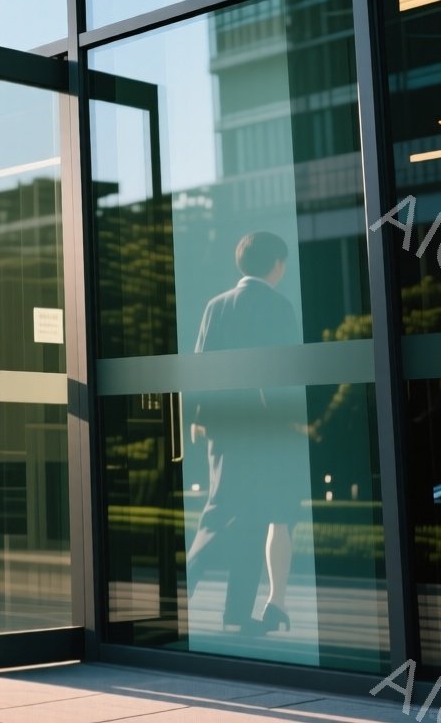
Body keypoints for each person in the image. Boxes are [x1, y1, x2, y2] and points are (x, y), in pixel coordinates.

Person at [186, 230, 303, 635]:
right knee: (251, 518)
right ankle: (228, 609)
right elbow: (286, 373)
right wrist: (294, 420)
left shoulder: (216, 306)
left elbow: (201, 365)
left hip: (225, 429)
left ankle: (227, 610)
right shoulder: (280, 306)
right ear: (276, 264)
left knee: (220, 515)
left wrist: (199, 417)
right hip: (267, 431)